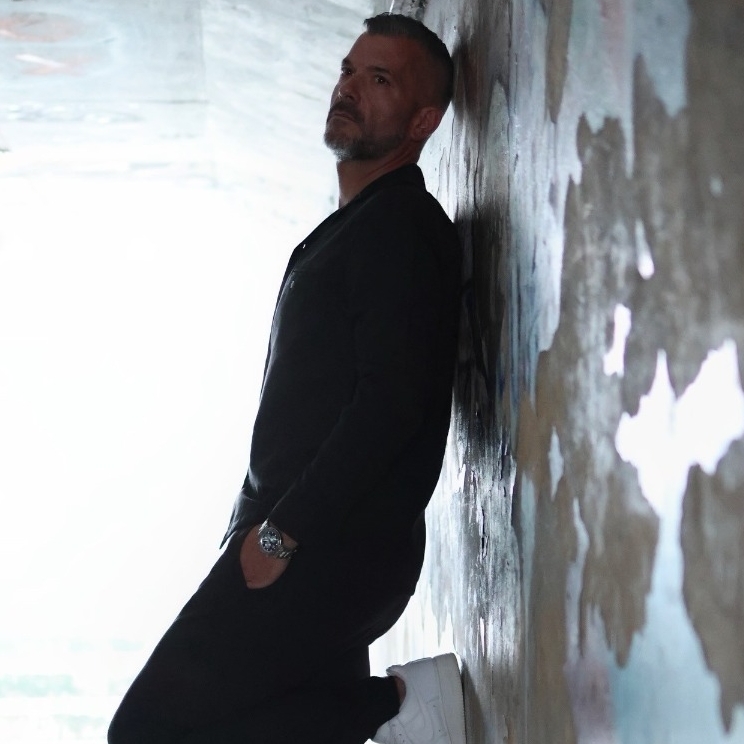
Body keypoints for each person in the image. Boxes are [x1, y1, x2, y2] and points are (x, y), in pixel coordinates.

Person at [108, 12, 465, 744]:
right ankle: (386, 713)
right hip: (310, 543)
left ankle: (397, 704)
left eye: (379, 79)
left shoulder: (400, 225)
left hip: (324, 548)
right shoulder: (356, 227)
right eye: (348, 70)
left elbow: (392, 403)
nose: (349, 88)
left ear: (423, 121)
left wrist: (280, 535)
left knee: (145, 733)